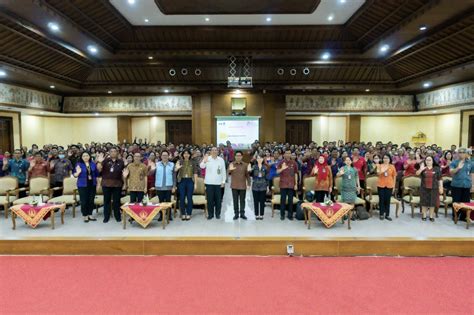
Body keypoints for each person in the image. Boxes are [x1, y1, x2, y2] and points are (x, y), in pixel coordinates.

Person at [96, 148, 125, 223]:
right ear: (109, 153)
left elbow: (124, 173)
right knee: (106, 201)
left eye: (115, 151)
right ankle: (106, 217)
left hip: (117, 184)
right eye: (111, 151)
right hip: (106, 184)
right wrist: (99, 161)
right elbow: (99, 170)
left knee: (116, 201)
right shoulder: (105, 161)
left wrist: (125, 183)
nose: (113, 153)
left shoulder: (121, 162)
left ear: (117, 153)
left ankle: (117, 216)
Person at [200, 147, 226, 220]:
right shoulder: (207, 158)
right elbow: (201, 166)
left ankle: (218, 214)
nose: (214, 151)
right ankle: (210, 214)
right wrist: (204, 161)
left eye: (216, 150)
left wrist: (223, 181)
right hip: (209, 183)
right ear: (210, 152)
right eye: (213, 150)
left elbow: (223, 171)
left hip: (218, 183)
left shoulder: (221, 160)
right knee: (210, 200)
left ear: (218, 152)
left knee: (218, 200)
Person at [74, 151, 99, 222]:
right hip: (82, 185)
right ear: (81, 157)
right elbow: (75, 175)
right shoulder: (79, 164)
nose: (85, 157)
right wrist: (78, 172)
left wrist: (98, 184)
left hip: (92, 184)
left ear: (89, 156)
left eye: (87, 155)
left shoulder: (93, 164)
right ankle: (85, 215)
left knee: (91, 200)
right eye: (84, 156)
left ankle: (90, 214)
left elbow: (96, 174)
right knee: (84, 201)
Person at [449, 148, 473, 221]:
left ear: (466, 154)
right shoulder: (454, 162)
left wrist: (473, 185)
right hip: (456, 185)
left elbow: (472, 174)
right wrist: (458, 168)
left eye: (463, 152)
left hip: (467, 184)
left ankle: (463, 217)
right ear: (457, 153)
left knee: (465, 202)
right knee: (456, 201)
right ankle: (455, 216)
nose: (461, 154)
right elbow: (451, 172)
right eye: (460, 152)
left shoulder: (470, 163)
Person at [416, 156, 443, 222]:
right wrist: (421, 169)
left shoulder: (436, 168)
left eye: (429, 160)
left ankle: (431, 216)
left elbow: (440, 179)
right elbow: (417, 174)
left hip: (434, 188)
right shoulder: (423, 168)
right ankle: (424, 215)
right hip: (424, 188)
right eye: (427, 160)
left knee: (432, 202)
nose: (428, 161)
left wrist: (441, 187)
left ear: (432, 161)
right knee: (424, 202)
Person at [175, 149, 198, 221]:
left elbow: (195, 173)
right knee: (181, 198)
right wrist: (177, 167)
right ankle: (183, 213)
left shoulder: (193, 162)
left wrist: (196, 184)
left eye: (187, 153)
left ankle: (189, 213)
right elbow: (175, 170)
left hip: (190, 181)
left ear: (190, 155)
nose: (186, 155)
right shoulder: (179, 162)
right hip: (182, 181)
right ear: (182, 155)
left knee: (189, 198)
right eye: (184, 153)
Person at [154, 150, 176, 221]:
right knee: (160, 202)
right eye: (163, 155)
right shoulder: (157, 164)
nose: (165, 157)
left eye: (166, 155)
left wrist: (174, 186)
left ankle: (169, 215)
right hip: (159, 186)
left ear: (168, 156)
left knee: (168, 202)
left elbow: (174, 176)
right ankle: (161, 215)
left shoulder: (172, 164)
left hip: (168, 186)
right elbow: (151, 173)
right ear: (161, 156)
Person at [277, 149, 298, 220]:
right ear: (284, 154)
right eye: (287, 153)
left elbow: (295, 174)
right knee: (282, 200)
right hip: (283, 184)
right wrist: (282, 168)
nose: (288, 154)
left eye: (289, 153)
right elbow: (277, 172)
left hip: (291, 184)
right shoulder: (281, 162)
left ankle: (290, 215)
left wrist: (296, 184)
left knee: (290, 200)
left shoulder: (294, 163)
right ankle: (282, 214)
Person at [228, 151, 250, 220]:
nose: (238, 157)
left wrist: (249, 184)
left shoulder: (245, 165)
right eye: (237, 155)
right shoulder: (232, 164)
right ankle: (236, 214)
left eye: (239, 155)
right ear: (235, 156)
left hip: (242, 186)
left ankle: (242, 213)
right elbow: (227, 173)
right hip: (234, 186)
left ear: (242, 156)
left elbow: (248, 176)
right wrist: (230, 170)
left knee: (242, 200)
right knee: (235, 201)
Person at [376, 154, 397, 221]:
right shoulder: (379, 165)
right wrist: (383, 170)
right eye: (384, 158)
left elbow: (394, 176)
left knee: (387, 200)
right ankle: (381, 214)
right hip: (381, 185)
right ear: (382, 159)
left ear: (389, 159)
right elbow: (378, 173)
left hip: (389, 185)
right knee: (381, 200)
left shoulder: (392, 166)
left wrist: (394, 186)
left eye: (387, 158)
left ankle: (387, 215)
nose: (386, 159)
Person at [249, 154, 268, 220]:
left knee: (262, 201)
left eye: (261, 158)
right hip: (255, 186)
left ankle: (261, 214)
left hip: (263, 185)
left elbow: (267, 177)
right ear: (256, 159)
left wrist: (267, 186)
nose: (259, 159)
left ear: (263, 159)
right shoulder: (254, 167)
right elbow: (249, 173)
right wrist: (251, 163)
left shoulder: (265, 167)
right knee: (256, 201)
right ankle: (256, 214)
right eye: (258, 158)